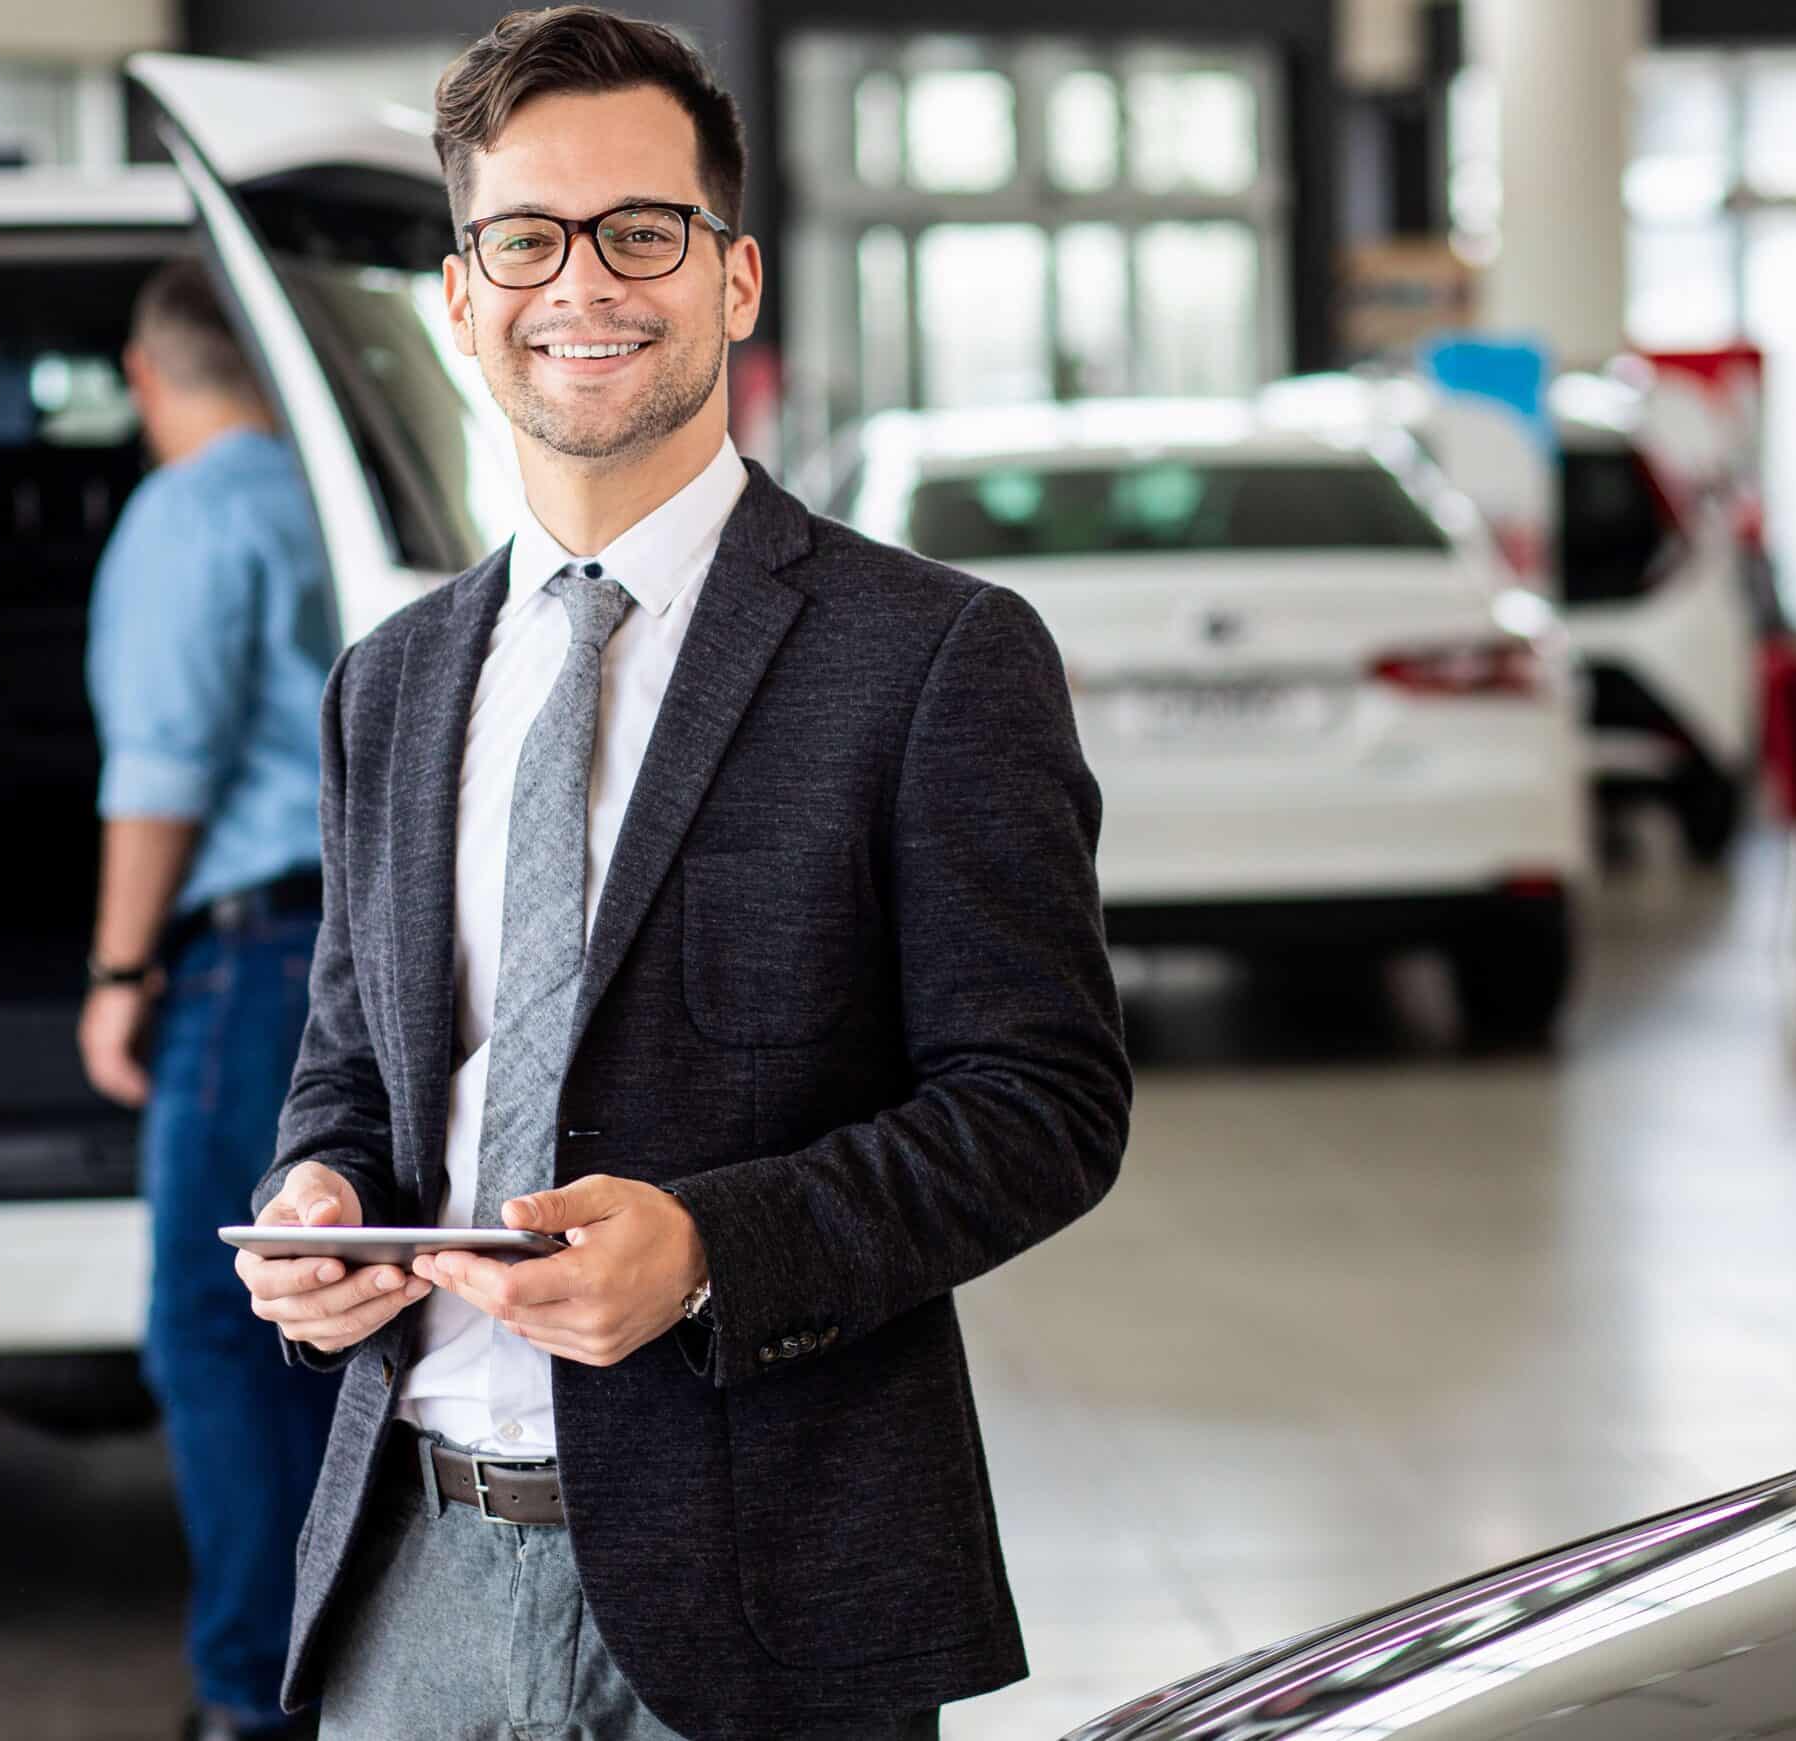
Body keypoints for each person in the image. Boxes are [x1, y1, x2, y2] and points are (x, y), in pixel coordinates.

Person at [231, 9, 1136, 1740]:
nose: (584, 284)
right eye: (526, 238)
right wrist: (321, 1203)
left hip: (772, 1584)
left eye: (643, 231)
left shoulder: (932, 654)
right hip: (411, 1574)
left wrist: (713, 1248)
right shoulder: (395, 680)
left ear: (734, 278)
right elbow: (354, 1064)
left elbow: (1044, 1102)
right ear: (459, 294)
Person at [77, 258, 339, 1741]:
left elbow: (164, 768)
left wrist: (118, 974)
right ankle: (321, 1665)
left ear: (145, 373)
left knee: (213, 1322)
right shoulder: (321, 491)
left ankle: (256, 1692)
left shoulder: (189, 511)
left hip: (247, 958)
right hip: (337, 946)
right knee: (308, 1321)